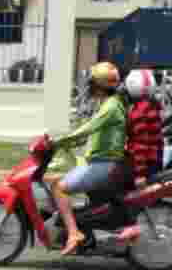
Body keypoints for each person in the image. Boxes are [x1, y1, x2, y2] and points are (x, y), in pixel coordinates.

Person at [45, 61, 129, 256]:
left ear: (100, 85)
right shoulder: (109, 104)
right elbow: (92, 133)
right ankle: (78, 228)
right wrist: (68, 143)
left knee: (59, 188)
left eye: (92, 83)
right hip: (100, 162)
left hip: (104, 165)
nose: (89, 87)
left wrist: (58, 142)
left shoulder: (111, 107)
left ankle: (74, 234)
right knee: (57, 183)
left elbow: (88, 128)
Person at [124, 69, 164, 185]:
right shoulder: (151, 106)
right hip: (154, 160)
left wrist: (140, 174)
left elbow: (141, 144)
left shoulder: (139, 112)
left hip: (146, 165)